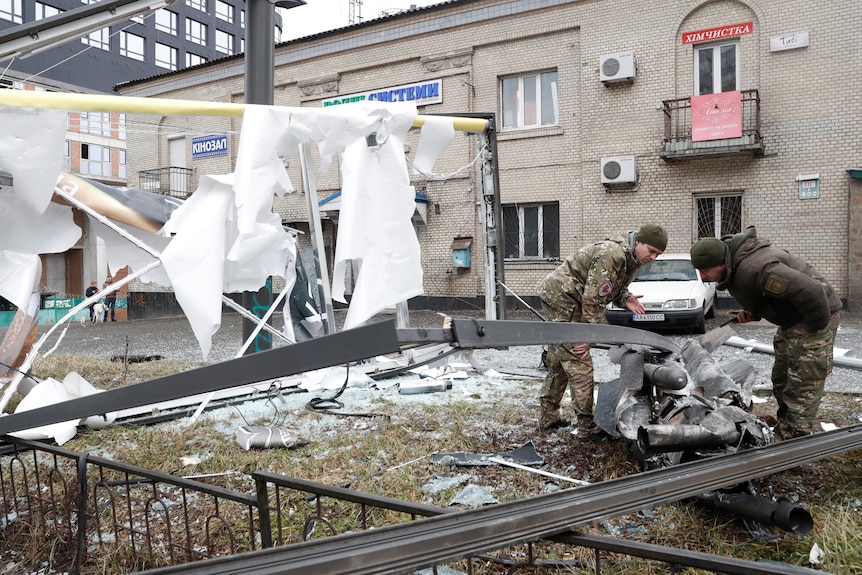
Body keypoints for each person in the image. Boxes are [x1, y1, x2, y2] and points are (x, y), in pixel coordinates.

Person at [690, 226, 842, 441]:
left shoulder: (759, 268)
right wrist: (755, 313)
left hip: (814, 318)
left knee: (802, 385)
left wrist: (814, 331)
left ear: (721, 262)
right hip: (793, 321)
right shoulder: (736, 266)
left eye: (705, 270)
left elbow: (812, 292)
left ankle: (792, 446)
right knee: (781, 379)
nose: (703, 276)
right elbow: (772, 295)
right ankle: (784, 427)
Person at [537, 224, 668, 441]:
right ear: (638, 242)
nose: (653, 257)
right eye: (651, 250)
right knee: (580, 362)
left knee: (559, 361)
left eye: (658, 254)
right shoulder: (613, 254)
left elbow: (612, 286)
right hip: (564, 301)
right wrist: (589, 336)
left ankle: (548, 418)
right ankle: (587, 428)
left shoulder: (630, 258)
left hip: (572, 300)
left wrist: (625, 297)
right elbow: (593, 298)